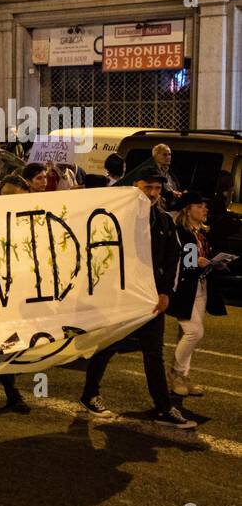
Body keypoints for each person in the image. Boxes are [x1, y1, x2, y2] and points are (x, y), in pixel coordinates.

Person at [79, 168, 195, 428]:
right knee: (107, 346)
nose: (153, 193)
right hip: (121, 299)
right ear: (134, 187)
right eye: (148, 188)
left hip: (150, 300)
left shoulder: (163, 221)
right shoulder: (116, 219)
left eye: (157, 188)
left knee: (153, 354)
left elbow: (172, 258)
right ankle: (89, 394)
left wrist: (165, 292)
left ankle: (163, 408)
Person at [168, 191, 228, 397]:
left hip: (200, 288)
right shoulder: (181, 232)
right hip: (183, 289)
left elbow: (195, 262)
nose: (205, 209)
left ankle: (184, 376)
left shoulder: (201, 233)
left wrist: (214, 264)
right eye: (200, 206)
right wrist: (197, 262)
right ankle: (175, 374)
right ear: (188, 210)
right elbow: (183, 263)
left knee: (187, 334)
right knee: (194, 332)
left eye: (205, 206)